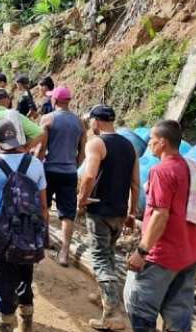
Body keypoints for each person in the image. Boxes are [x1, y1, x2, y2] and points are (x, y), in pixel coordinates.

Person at [124, 120, 196, 332]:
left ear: (163, 143)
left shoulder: (161, 171)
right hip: (188, 252)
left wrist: (142, 251)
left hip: (162, 255)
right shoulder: (192, 168)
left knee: (138, 307)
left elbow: (160, 215)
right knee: (179, 317)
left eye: (153, 140)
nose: (149, 143)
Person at [0, 118, 48, 332]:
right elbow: (43, 206)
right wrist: (39, 235)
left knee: (3, 285)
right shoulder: (35, 164)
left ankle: (6, 326)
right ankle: (26, 325)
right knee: (26, 277)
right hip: (29, 233)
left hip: (4, 237)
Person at [78, 104, 139, 331]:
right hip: (119, 212)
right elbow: (135, 183)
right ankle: (106, 295)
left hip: (99, 211)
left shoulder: (97, 143)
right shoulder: (130, 146)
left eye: (91, 120)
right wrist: (132, 213)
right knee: (109, 254)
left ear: (97, 120)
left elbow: (88, 176)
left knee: (101, 258)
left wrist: (82, 199)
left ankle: (111, 315)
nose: (90, 124)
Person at [37, 87, 86, 267]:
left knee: (44, 205)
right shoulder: (79, 123)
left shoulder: (48, 119)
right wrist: (75, 166)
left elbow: (41, 149)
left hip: (49, 170)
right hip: (69, 172)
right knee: (67, 213)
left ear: (55, 101)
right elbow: (82, 152)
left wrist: (36, 165)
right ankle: (64, 252)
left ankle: (45, 239)